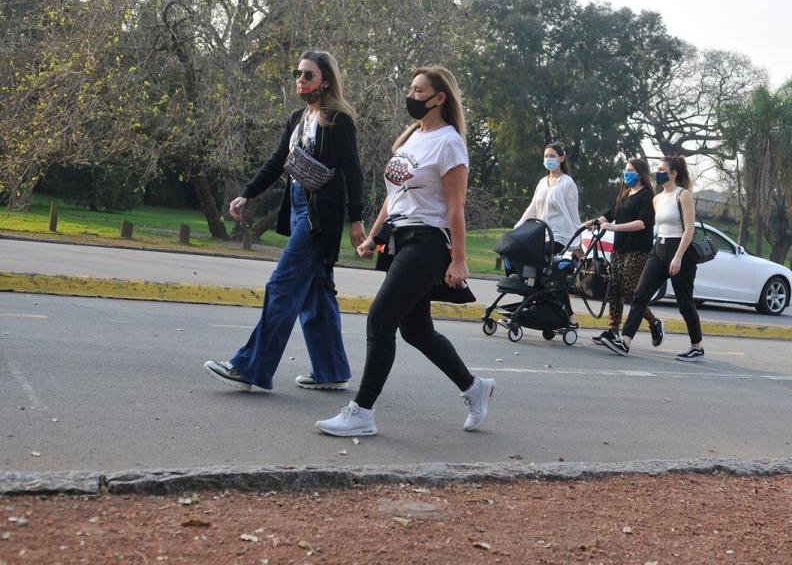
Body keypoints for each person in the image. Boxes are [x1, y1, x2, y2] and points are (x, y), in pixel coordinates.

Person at [315, 66, 494, 437]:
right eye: (411, 89)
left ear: (439, 98)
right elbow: (394, 197)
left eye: (418, 90)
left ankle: (361, 412)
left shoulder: (449, 143)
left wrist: (459, 260)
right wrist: (373, 236)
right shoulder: (413, 137)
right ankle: (475, 388)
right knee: (416, 331)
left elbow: (455, 207)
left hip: (427, 242)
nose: (411, 96)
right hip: (400, 239)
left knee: (381, 318)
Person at [203, 50, 365, 392]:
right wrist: (247, 193)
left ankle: (250, 368)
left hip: (321, 215)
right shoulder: (297, 118)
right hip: (298, 206)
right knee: (316, 294)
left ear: (326, 80)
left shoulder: (337, 119)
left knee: (281, 286)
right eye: (298, 73)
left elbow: (353, 172)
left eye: (308, 75)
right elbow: (278, 161)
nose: (300, 80)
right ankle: (331, 371)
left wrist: (356, 220)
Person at [600, 156, 705, 362]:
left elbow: (689, 229)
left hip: (678, 250)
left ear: (673, 173)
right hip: (659, 249)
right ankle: (625, 341)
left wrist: (677, 257)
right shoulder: (657, 199)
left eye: (661, 169)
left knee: (685, 303)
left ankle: (697, 346)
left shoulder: (683, 195)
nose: (657, 172)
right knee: (640, 295)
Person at [585, 158, 664, 349]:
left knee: (630, 292)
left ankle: (654, 322)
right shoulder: (625, 193)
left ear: (640, 174)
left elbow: (642, 223)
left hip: (637, 251)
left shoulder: (646, 197)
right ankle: (613, 330)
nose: (626, 173)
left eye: (631, 170)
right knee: (614, 289)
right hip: (619, 250)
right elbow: (610, 213)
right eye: (626, 170)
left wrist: (613, 227)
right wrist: (596, 221)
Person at [514, 142, 582, 254]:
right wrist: (517, 229)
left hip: (559, 237)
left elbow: (573, 214)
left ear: (561, 158)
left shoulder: (567, 183)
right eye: (546, 156)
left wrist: (578, 240)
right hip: (540, 234)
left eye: (552, 156)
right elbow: (532, 209)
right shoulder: (542, 183)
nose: (548, 159)